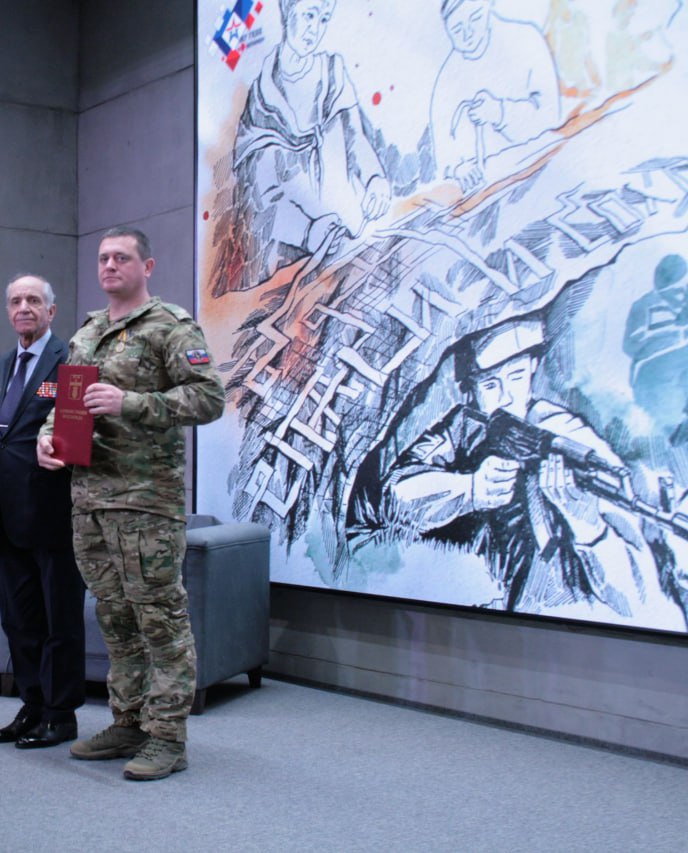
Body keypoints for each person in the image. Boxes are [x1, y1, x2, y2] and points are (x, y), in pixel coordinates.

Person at [347, 317, 685, 631]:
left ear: (534, 368)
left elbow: (639, 601)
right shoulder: (462, 428)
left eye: (517, 377)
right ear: (470, 388)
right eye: (491, 384)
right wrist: (470, 488)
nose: (508, 397)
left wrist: (587, 527)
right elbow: (390, 498)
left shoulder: (568, 438)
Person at [37, 228, 225, 781]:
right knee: (115, 618)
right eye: (103, 258)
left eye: (121, 257)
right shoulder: (88, 331)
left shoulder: (171, 325)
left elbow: (209, 397)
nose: (109, 265)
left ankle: (167, 737)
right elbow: (66, 402)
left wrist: (131, 402)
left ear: (148, 265)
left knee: (159, 619)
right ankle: (128, 723)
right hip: (90, 500)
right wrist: (47, 438)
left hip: (146, 502)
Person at [0, 274, 86, 749]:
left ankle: (61, 714)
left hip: (54, 514)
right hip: (4, 517)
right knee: (18, 620)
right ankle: (32, 705)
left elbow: (77, 438)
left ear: (51, 311)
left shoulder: (72, 361)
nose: (24, 307)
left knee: (59, 621)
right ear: (8, 311)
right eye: (16, 301)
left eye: (34, 300)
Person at [223, 0, 389, 291]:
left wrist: (375, 179)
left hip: (345, 228)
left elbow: (356, 138)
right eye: (309, 15)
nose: (315, 28)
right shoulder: (260, 95)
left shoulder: (332, 72)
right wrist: (308, 231)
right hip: (289, 249)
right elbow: (260, 195)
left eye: (323, 19)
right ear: (287, 11)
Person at [429, 0, 561, 192]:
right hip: (491, 190)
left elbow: (551, 115)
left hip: (546, 168)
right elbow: (442, 148)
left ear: (488, 7)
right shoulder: (446, 78)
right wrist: (457, 168)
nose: (467, 34)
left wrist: (500, 113)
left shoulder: (525, 39)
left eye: (475, 18)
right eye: (457, 30)